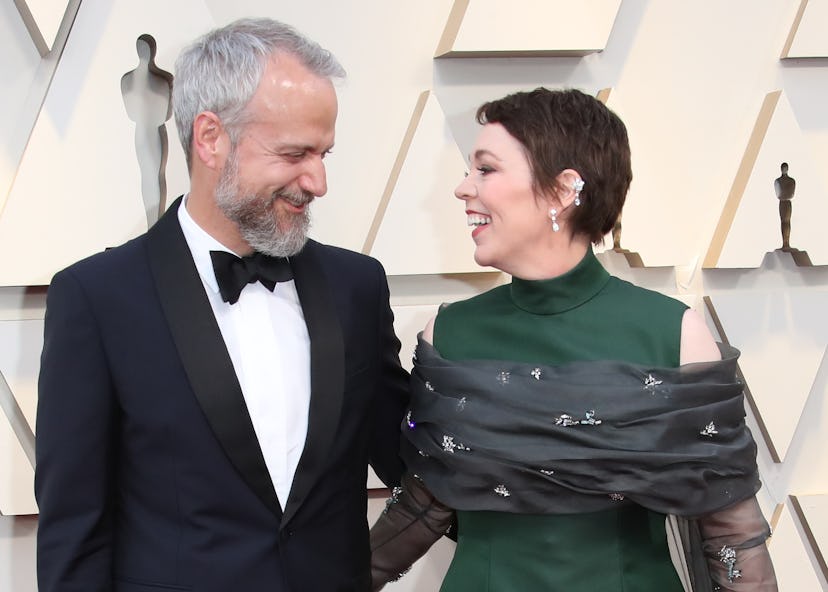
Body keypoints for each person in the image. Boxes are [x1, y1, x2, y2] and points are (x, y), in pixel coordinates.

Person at [35, 18, 409, 592]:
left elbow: (410, 461)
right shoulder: (97, 298)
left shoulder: (356, 285)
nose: (319, 181)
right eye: (295, 153)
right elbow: (75, 530)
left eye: (325, 152)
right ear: (211, 138)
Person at [369, 88, 777, 591]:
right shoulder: (450, 332)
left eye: (486, 169)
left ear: (564, 190)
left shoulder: (672, 332)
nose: (463, 188)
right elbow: (420, 508)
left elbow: (732, 537)